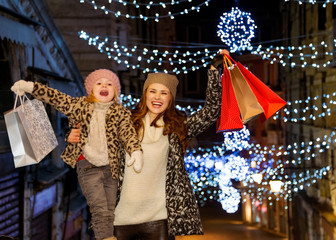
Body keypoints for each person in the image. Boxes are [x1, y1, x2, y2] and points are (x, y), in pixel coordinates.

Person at [68, 50, 229, 239]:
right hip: (119, 219)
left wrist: (213, 70)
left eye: (164, 93)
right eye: (152, 91)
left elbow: (211, 110)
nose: (157, 97)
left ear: (170, 98)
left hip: (158, 220)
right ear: (145, 95)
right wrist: (73, 135)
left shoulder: (177, 128)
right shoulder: (124, 120)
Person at [11, 69, 144, 240]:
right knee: (99, 208)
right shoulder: (79, 106)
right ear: (90, 89)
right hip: (88, 165)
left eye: (109, 84)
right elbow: (55, 97)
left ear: (115, 91)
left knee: (111, 207)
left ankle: (108, 235)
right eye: (99, 83)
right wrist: (29, 86)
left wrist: (135, 151)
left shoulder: (121, 113)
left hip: (112, 167)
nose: (104, 86)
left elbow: (128, 133)